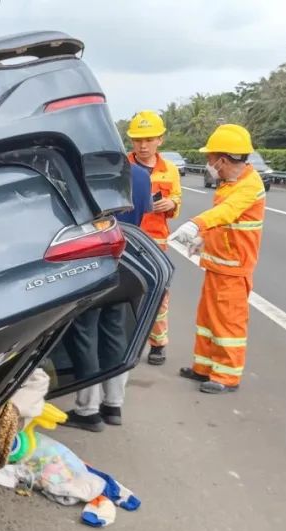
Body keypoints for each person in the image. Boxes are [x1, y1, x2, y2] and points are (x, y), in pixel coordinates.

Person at [170, 124, 266, 394]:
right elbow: (224, 223)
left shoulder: (250, 186)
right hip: (217, 265)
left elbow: (227, 212)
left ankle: (226, 376)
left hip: (234, 270)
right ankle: (203, 368)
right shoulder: (230, 183)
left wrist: (195, 225)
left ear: (222, 160)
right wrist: (203, 239)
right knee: (208, 320)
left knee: (228, 324)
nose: (209, 164)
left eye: (210, 158)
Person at [61, 163, 153, 431]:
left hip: (91, 262)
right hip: (125, 263)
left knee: (84, 334)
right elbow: (143, 213)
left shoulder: (79, 172)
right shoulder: (140, 176)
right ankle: (113, 404)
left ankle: (88, 410)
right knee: (115, 332)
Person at [126, 111, 183, 366]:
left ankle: (158, 344)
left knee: (159, 294)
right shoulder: (121, 167)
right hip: (127, 239)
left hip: (156, 243)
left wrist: (171, 203)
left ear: (160, 139)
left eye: (149, 140)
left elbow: (177, 200)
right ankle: (126, 345)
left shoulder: (170, 170)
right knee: (126, 293)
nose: (143, 145)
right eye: (138, 140)